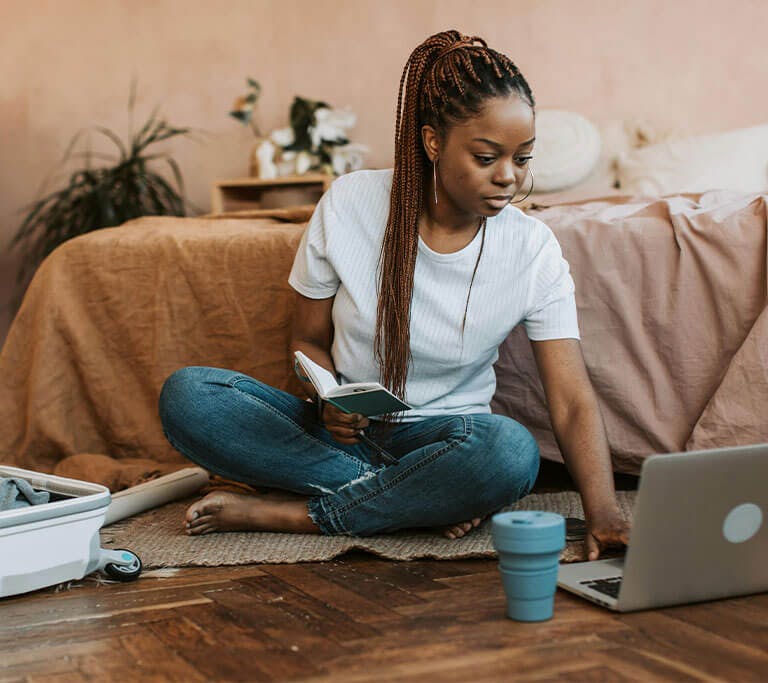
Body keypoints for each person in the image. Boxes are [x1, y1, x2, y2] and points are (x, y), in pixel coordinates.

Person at [158, 30, 630, 560]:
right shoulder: (350, 204)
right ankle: (418, 499)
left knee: (509, 452)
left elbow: (569, 401)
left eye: (522, 159)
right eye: (486, 156)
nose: (507, 177)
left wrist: (605, 514)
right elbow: (306, 340)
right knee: (190, 395)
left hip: (446, 439)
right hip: (339, 436)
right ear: (433, 143)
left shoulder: (533, 250)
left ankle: (302, 512)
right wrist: (327, 398)